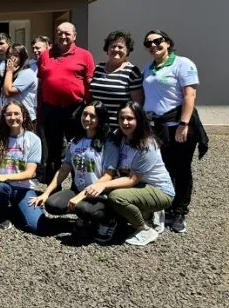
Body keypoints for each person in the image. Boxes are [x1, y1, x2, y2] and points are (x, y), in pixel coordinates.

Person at [142, 29, 207, 234]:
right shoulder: (148, 68)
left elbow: (190, 95)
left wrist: (184, 124)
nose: (153, 45)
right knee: (163, 169)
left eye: (158, 41)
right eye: (148, 43)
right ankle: (166, 206)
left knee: (181, 169)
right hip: (157, 128)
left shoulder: (183, 64)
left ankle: (180, 211)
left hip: (178, 126)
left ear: (168, 42)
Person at [84, 101, 175, 246]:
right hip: (140, 186)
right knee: (109, 192)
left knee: (116, 197)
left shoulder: (147, 145)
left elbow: (132, 179)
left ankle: (144, 229)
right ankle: (146, 213)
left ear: (139, 119)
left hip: (160, 191)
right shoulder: (119, 136)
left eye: (130, 119)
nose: (125, 122)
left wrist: (102, 185)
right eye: (122, 118)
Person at [30, 101, 118, 242]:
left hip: (100, 194)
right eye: (85, 114)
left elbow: (108, 175)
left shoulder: (108, 143)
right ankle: (84, 217)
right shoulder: (76, 140)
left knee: (82, 207)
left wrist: (81, 197)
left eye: (92, 116)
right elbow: (64, 169)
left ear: (100, 119)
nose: (87, 119)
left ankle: (109, 220)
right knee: (51, 205)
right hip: (78, 189)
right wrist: (46, 193)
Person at [38, 22, 95, 184]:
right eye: (60, 33)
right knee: (53, 151)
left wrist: (90, 109)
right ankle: (52, 189)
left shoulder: (85, 55)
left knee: (79, 149)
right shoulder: (45, 55)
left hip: (76, 110)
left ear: (74, 36)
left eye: (67, 33)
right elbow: (41, 85)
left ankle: (79, 186)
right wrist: (40, 109)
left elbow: (90, 83)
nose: (63, 36)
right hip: (51, 109)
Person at [0, 100, 45, 233]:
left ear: (24, 116)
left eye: (16, 114)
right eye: (8, 114)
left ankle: (15, 207)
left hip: (23, 188)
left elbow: (30, 173)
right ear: (3, 117)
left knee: (36, 226)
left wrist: (3, 177)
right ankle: (3, 214)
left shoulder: (33, 140)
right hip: (2, 186)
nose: (13, 117)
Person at [89, 31, 144, 125]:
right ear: (107, 49)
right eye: (112, 46)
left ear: (127, 50)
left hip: (119, 128)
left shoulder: (132, 72)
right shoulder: (99, 68)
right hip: (97, 126)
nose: (116, 49)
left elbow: (137, 105)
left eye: (120, 47)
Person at [0, 44, 38, 122]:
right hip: (9, 117)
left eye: (15, 56)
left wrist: (9, 71)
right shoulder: (10, 74)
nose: (11, 58)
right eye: (9, 55)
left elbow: (8, 92)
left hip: (24, 119)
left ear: (22, 58)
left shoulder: (27, 73)